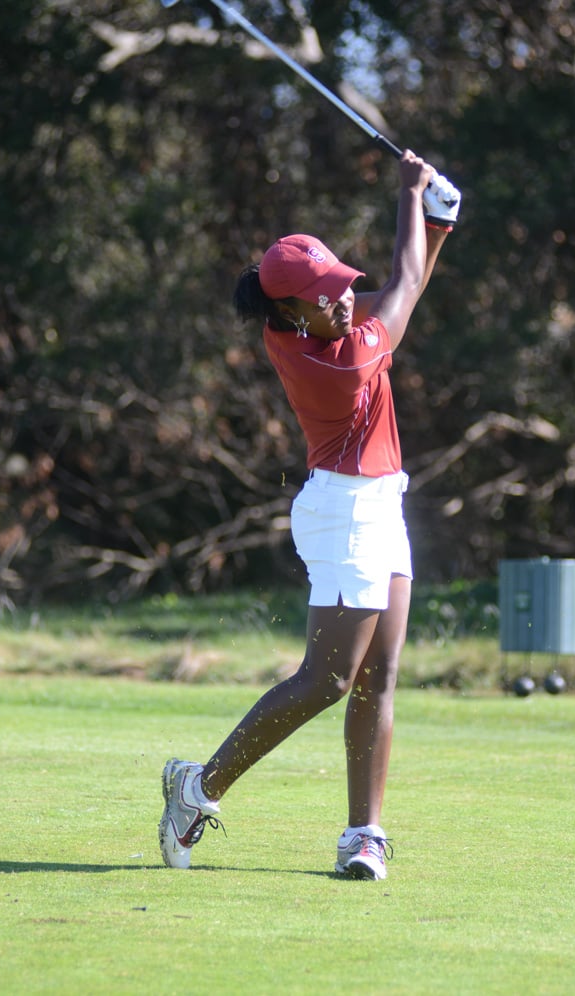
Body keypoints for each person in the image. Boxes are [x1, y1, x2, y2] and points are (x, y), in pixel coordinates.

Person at [159, 150, 461, 880]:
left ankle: (364, 835)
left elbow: (401, 279)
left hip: (380, 502)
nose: (342, 300)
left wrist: (438, 214)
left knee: (378, 677)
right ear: (287, 310)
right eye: (324, 297)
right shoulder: (339, 359)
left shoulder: (318, 329)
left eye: (339, 286)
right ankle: (197, 789)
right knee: (327, 679)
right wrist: (414, 201)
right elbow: (409, 281)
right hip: (344, 513)